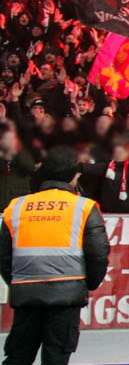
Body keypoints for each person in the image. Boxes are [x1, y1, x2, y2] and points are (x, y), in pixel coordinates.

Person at [0, 147, 110, 365]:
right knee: (56, 357)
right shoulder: (84, 207)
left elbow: (4, 257)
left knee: (18, 356)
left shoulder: (17, 206)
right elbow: (98, 254)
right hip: (66, 295)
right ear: (73, 175)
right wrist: (85, 285)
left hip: (26, 293)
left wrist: (18, 283)